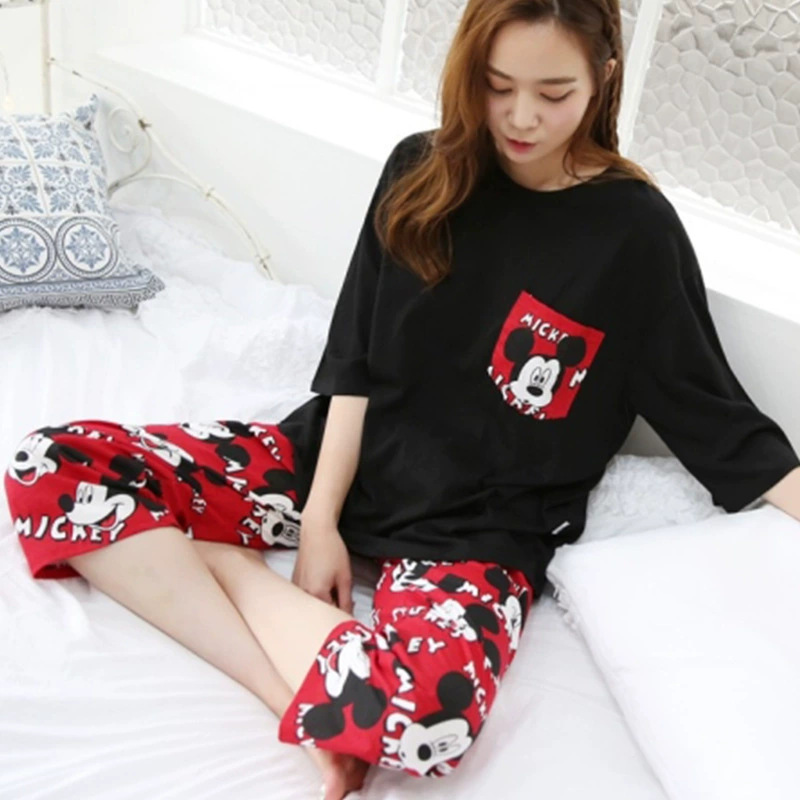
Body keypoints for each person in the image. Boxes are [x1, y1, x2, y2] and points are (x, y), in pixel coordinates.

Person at [5, 1, 800, 798]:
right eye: (497, 86)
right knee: (53, 465)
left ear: (604, 78)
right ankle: (283, 693)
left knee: (426, 723)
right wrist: (319, 523)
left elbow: (716, 417)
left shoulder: (635, 233)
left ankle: (228, 570)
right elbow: (354, 361)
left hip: (481, 531)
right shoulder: (422, 169)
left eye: (554, 93)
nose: (521, 117)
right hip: (338, 462)